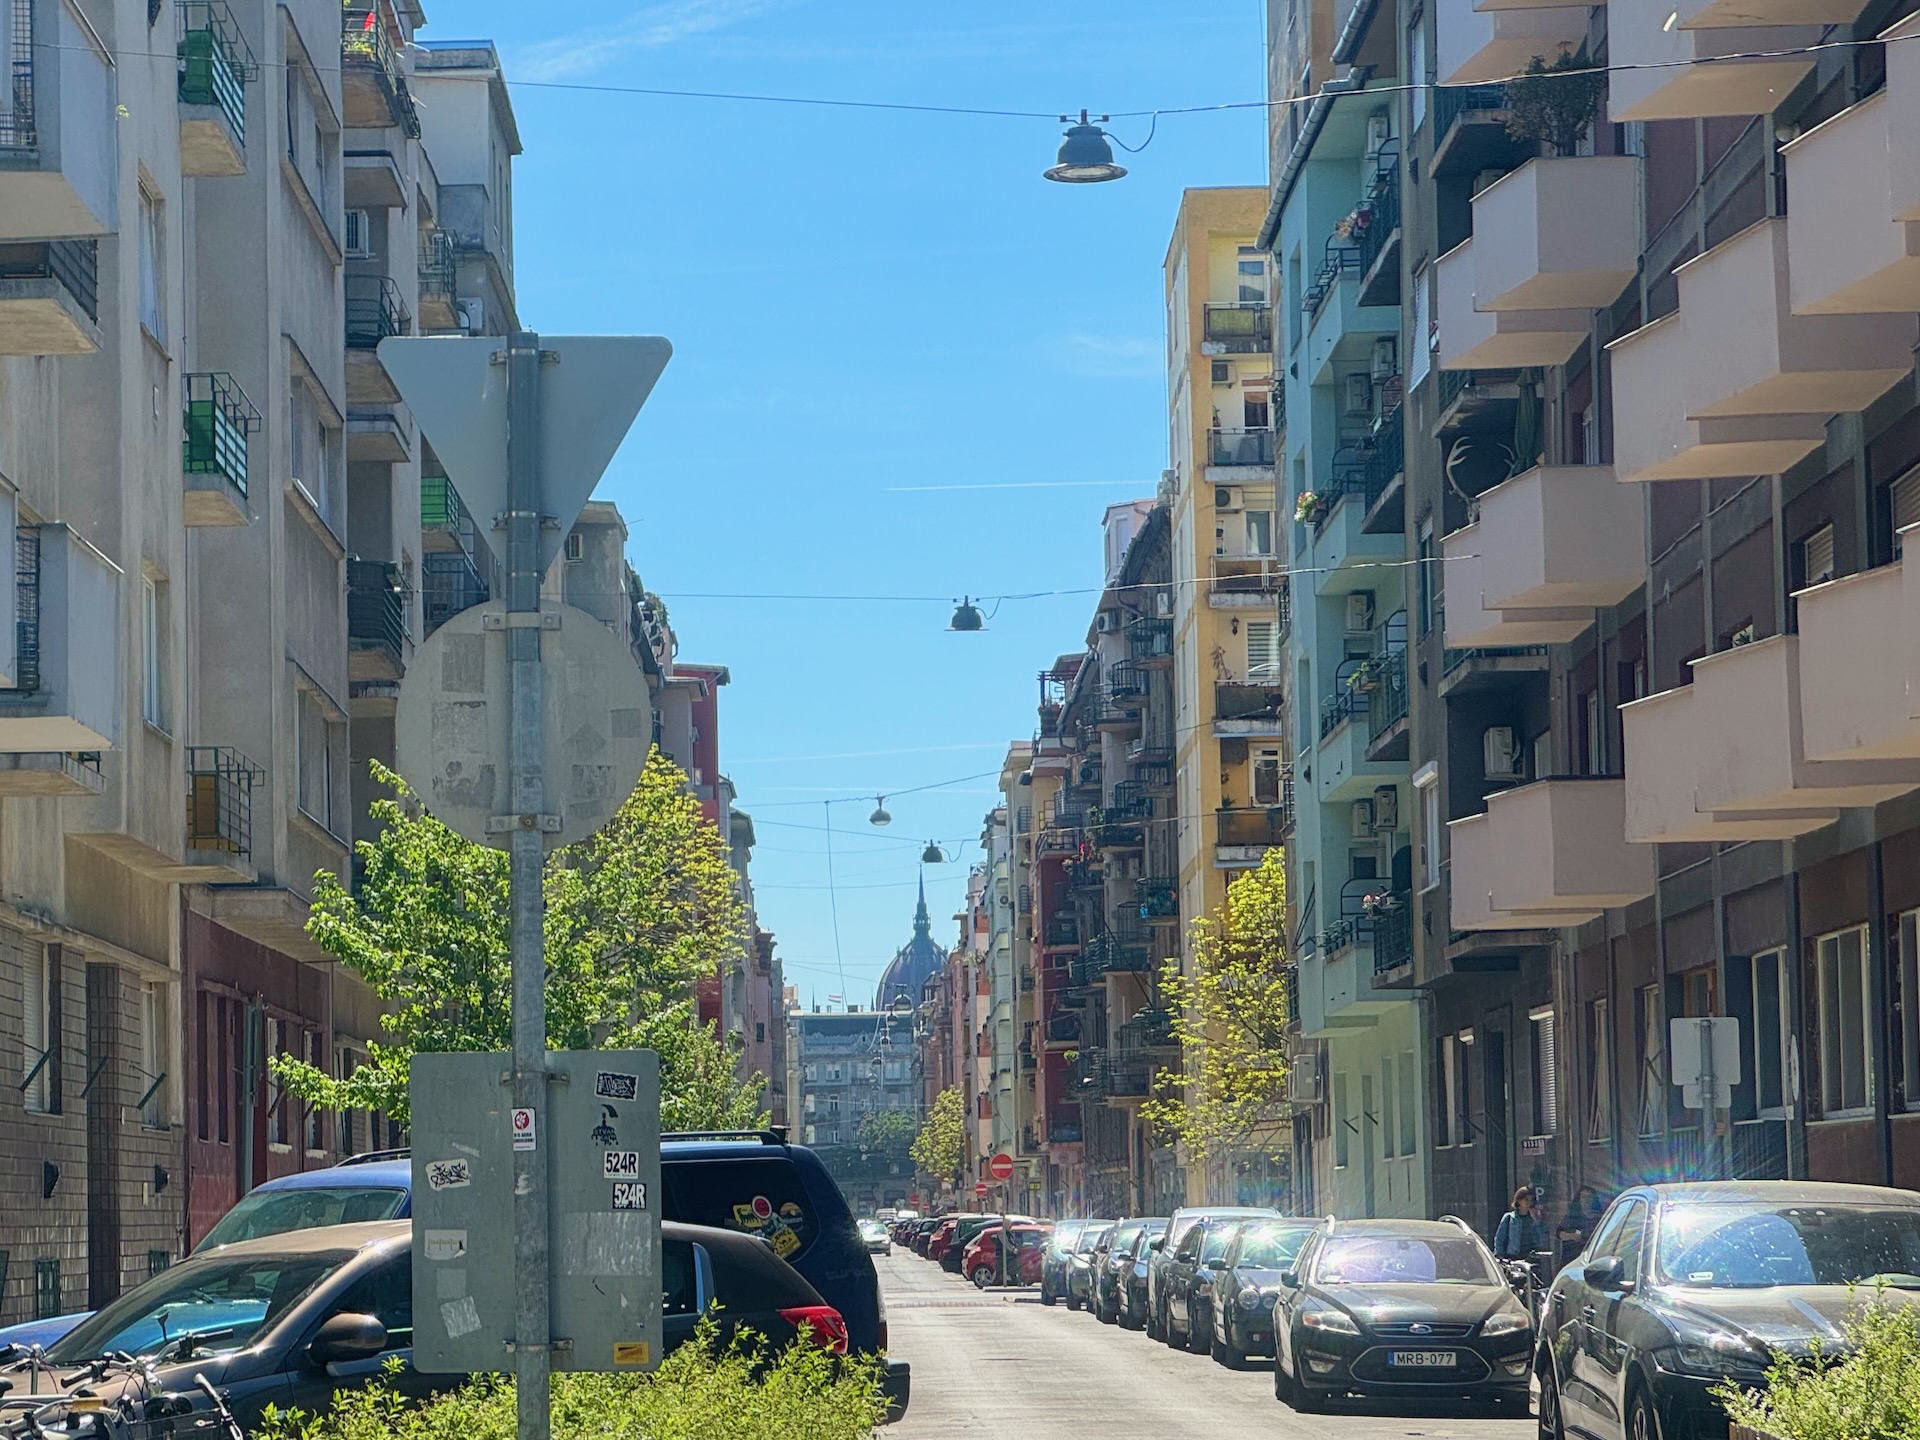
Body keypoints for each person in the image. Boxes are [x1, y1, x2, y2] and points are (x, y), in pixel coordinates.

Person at [1493, 1185, 1550, 1263]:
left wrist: (1536, 1221)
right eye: (1526, 1200)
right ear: (1519, 1201)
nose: (1528, 1203)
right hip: (1513, 1257)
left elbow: (1542, 1240)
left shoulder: (1533, 1219)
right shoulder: (1509, 1218)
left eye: (1530, 1201)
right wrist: (1499, 1256)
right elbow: (1500, 1238)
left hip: (1530, 1257)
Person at [1556, 1184, 1606, 1266]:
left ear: (1594, 1200)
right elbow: (1558, 1233)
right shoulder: (1572, 1217)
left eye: (1589, 1197)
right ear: (1579, 1199)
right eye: (1584, 1197)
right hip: (1571, 1261)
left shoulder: (1600, 1219)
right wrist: (1571, 1236)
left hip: (1592, 1261)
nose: (1586, 1200)